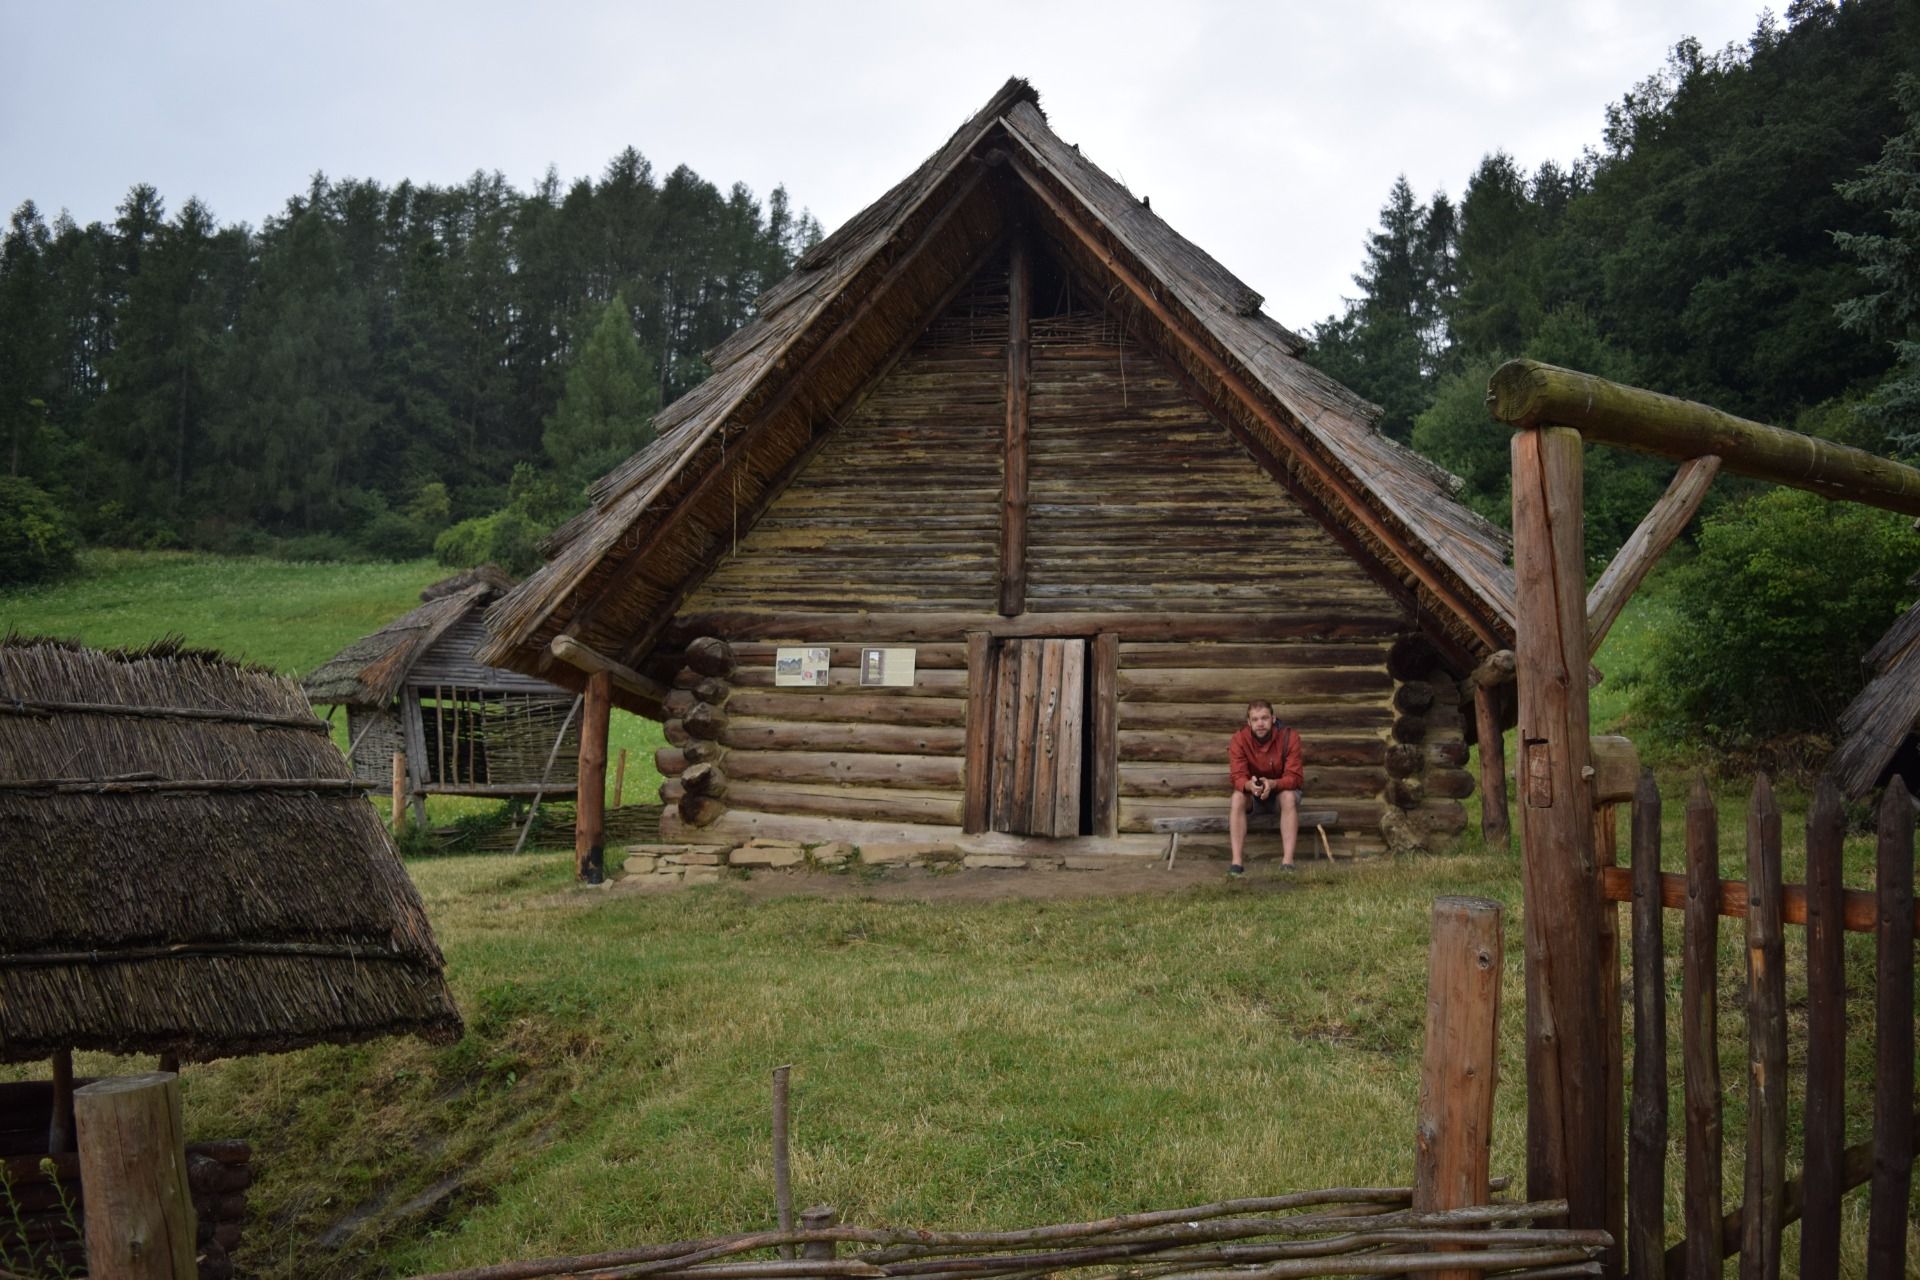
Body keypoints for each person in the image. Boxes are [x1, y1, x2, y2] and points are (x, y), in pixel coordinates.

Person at [1227, 699, 1302, 876]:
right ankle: (1236, 863)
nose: (1260, 723)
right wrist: (1249, 785)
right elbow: (1237, 776)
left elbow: (1295, 777)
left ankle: (1288, 862)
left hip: (1280, 794)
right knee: (1237, 798)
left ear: (1273, 719)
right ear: (1249, 722)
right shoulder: (1239, 739)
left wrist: (1273, 784)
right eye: (1255, 719)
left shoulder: (1289, 737)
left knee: (1288, 797)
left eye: (1264, 718)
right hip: (1253, 794)